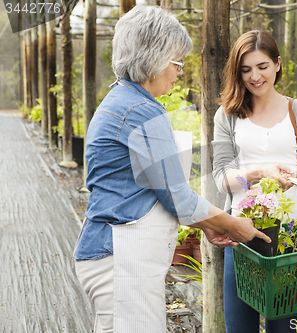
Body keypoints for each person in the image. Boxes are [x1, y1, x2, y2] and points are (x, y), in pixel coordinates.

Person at [73, 7, 270, 333]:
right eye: (176, 62)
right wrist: (234, 225)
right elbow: (178, 197)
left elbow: (159, 183)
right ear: (152, 59)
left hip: (116, 257)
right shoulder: (141, 112)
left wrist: (208, 224)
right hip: (121, 261)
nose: (180, 71)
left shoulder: (123, 101)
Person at [212, 30, 297, 333]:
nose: (255, 77)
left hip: (292, 237)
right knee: (239, 327)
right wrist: (257, 173)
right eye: (246, 69)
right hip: (243, 234)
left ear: (277, 64)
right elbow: (222, 177)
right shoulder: (227, 115)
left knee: (283, 328)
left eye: (262, 66)